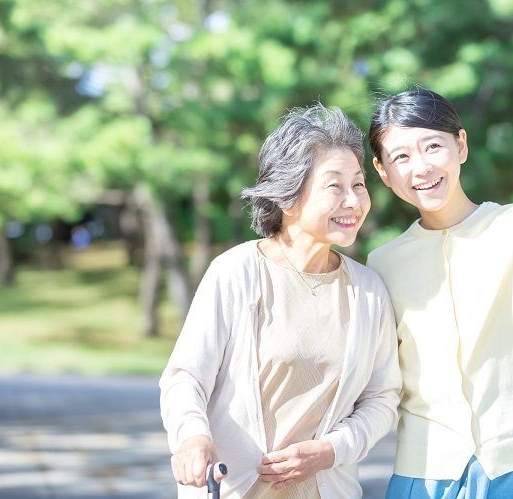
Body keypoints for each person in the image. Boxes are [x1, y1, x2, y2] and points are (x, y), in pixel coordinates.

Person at [160, 104, 402, 498]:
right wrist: (191, 437)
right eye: (334, 185)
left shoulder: (369, 291)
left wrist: (329, 451)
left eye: (358, 184)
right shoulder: (236, 271)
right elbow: (186, 376)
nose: (354, 200)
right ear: (288, 196)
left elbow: (382, 398)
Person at [365, 88, 513, 498]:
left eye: (432, 146)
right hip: (422, 474)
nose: (421, 167)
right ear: (382, 170)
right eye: (401, 157)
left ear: (460, 145)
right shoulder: (383, 264)